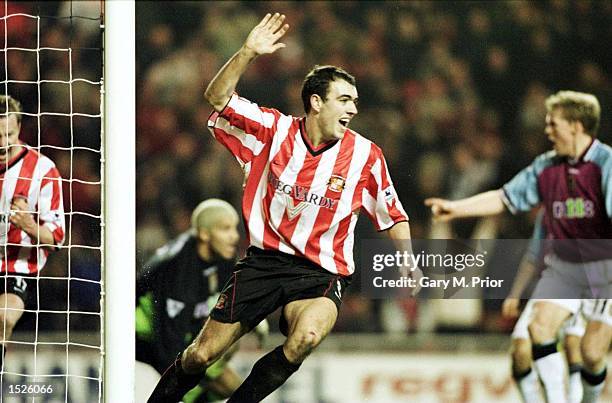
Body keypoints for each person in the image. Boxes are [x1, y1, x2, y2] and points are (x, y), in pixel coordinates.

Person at [148, 12, 419, 403]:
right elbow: (218, 98)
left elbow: (392, 213)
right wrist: (246, 52)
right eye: (344, 100)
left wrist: (407, 259)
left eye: (355, 102)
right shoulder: (272, 131)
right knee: (200, 355)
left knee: (305, 338)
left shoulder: (366, 157)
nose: (353, 110)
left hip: (321, 273)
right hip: (263, 263)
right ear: (315, 102)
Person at [426, 90, 612, 403]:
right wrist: (457, 208)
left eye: (554, 124)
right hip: (564, 267)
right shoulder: (545, 166)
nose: (547, 131)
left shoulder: (605, 165)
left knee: (592, 354)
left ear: (577, 126)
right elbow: (504, 197)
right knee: (539, 328)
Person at [137, 199, 262, 402]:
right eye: (225, 229)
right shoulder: (179, 271)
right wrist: (185, 389)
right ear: (204, 234)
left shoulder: (220, 256)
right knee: (222, 363)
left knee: (230, 386)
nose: (234, 237)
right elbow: (167, 346)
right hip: (144, 338)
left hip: (180, 333)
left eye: (234, 228)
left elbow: (230, 295)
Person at [0, 95, 65, 369]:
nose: (3, 143)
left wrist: (28, 224)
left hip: (18, 267)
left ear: (19, 129)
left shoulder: (42, 170)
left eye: (9, 135)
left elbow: (57, 237)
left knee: (3, 317)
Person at [502, 211, 584, 403]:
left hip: (584, 286)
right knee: (520, 352)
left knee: (574, 346)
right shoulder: (547, 209)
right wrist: (515, 294)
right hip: (548, 286)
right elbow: (532, 255)